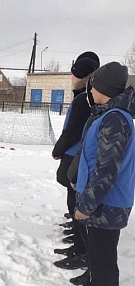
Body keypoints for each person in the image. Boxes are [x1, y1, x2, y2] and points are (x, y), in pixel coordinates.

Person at [74, 62, 134, 286]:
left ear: (105, 90)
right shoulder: (109, 116)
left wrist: (86, 205)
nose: (90, 91)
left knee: (104, 266)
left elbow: (107, 170)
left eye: (94, 86)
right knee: (99, 262)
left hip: (106, 205)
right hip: (103, 204)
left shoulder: (115, 120)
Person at [52, 52, 99, 275]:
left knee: (74, 190)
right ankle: (76, 231)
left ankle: (81, 248)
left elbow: (73, 131)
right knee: (72, 191)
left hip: (76, 153)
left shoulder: (84, 100)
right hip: (75, 153)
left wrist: (59, 148)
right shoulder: (82, 96)